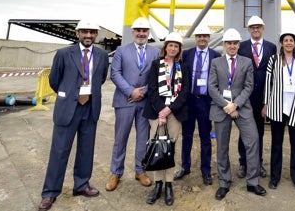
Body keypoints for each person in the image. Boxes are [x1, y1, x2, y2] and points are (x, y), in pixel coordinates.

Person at [38, 20, 109, 211]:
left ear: (96, 35)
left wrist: (86, 94)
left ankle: (82, 185)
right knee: (59, 151)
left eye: (92, 32)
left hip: (90, 107)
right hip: (69, 107)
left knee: (86, 149)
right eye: (84, 31)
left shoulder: (102, 55)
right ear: (77, 33)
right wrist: (70, 94)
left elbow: (100, 79)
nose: (88, 35)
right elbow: (55, 80)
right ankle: (50, 192)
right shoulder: (63, 54)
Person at [208, 28, 267, 200]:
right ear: (224, 44)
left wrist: (236, 105)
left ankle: (253, 181)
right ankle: (224, 182)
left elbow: (249, 86)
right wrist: (227, 105)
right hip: (221, 108)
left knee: (253, 140)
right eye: (229, 43)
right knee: (222, 147)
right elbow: (212, 87)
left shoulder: (246, 62)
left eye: (235, 43)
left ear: (239, 45)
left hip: (242, 107)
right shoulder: (215, 63)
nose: (232, 46)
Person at [105, 17, 160, 192]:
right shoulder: (121, 50)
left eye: (144, 31)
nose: (141, 33)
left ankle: (140, 170)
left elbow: (156, 76)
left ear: (148, 33)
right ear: (133, 32)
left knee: (143, 139)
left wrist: (141, 92)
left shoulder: (155, 52)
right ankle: (116, 172)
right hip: (124, 101)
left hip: (145, 103)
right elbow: (115, 73)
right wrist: (131, 91)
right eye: (138, 30)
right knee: (120, 138)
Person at [142, 32, 190, 206]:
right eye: (170, 45)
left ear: (179, 49)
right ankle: (158, 185)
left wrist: (170, 108)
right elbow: (152, 89)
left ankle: (168, 185)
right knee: (157, 147)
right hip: (157, 113)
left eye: (176, 46)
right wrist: (161, 111)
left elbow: (185, 91)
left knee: (169, 148)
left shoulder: (183, 67)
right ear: (166, 47)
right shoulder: (156, 65)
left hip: (175, 113)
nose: (173, 48)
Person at [263, 29, 295, 192]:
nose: (289, 43)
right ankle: (274, 177)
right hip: (277, 105)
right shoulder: (274, 60)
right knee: (276, 143)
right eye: (286, 40)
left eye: (291, 40)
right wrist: (266, 103)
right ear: (281, 44)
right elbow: (268, 82)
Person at [174, 25, 221, 185]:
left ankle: (206, 170)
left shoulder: (216, 55)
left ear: (209, 38)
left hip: (205, 101)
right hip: (189, 100)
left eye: (205, 36)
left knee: (205, 136)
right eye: (199, 36)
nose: (202, 38)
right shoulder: (186, 54)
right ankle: (185, 166)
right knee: (186, 136)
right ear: (195, 38)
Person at [237, 15, 277, 178]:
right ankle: (243, 163)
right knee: (243, 131)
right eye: (252, 27)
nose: (255, 29)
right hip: (245, 97)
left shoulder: (271, 47)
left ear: (263, 28)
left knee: (259, 132)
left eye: (258, 26)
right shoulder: (242, 47)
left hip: (263, 98)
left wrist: (269, 100)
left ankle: (258, 163)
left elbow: (274, 74)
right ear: (248, 29)